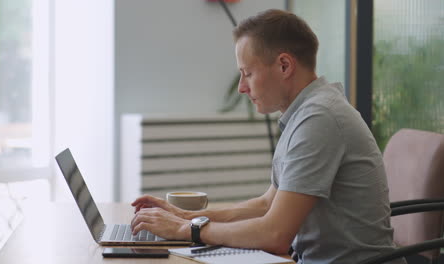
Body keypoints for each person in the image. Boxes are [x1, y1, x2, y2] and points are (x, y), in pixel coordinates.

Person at [131, 9, 405, 264]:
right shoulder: (307, 113)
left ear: (284, 66)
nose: (241, 87)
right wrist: (187, 216)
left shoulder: (319, 118)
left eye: (247, 73)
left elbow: (274, 235)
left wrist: (185, 230)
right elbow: (266, 205)